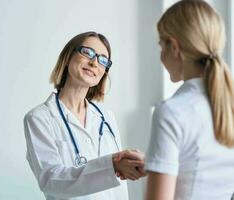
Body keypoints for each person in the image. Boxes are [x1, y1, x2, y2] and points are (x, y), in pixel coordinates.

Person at [23, 31, 146, 200]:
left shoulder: (106, 117)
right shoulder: (39, 118)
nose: (94, 62)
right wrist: (111, 166)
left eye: (103, 60)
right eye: (87, 52)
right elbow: (51, 180)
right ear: (68, 57)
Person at [144, 1, 234, 199]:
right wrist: (157, 162)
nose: (161, 56)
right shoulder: (228, 107)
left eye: (161, 46)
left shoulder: (172, 112)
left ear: (174, 47)